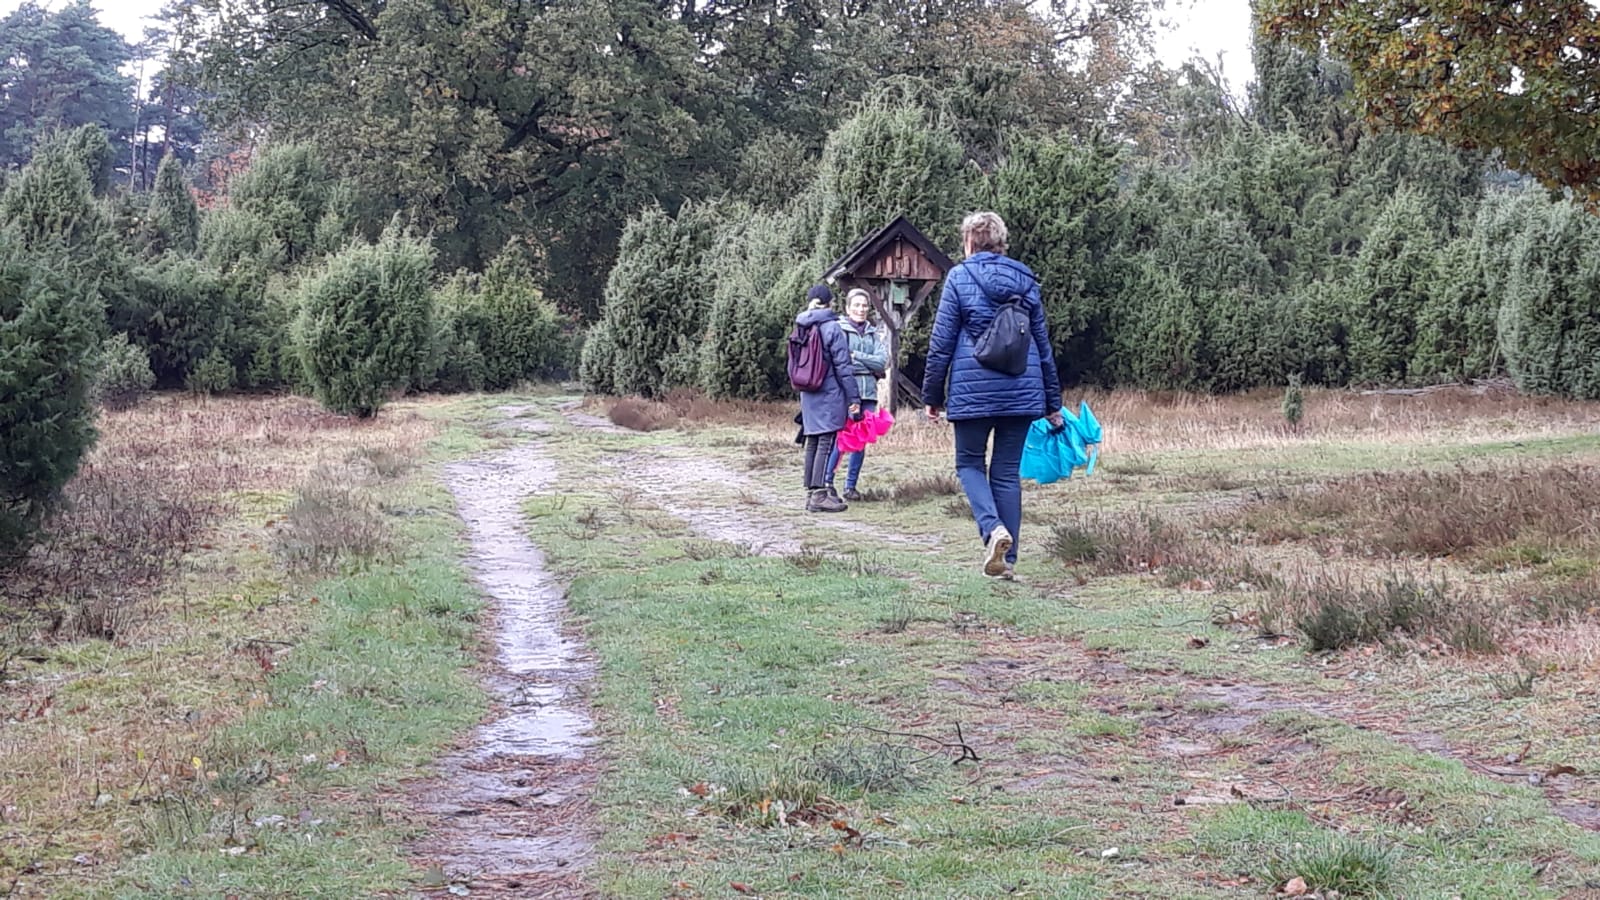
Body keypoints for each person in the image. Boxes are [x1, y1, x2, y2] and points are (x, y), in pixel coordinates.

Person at [922, 212, 1063, 579]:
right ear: (1001, 242)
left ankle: (992, 528)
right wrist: (1052, 403)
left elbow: (941, 343)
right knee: (1005, 473)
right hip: (1022, 390)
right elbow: (1042, 345)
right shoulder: (1026, 279)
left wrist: (932, 396)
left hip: (973, 392)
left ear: (969, 242)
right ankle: (1008, 562)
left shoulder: (959, 277)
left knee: (969, 465)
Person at [795, 284, 862, 513]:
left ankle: (811, 494)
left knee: (813, 442)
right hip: (829, 392)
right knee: (826, 441)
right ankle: (820, 495)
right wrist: (854, 398)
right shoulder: (832, 327)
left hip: (807, 392)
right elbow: (843, 367)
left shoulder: (801, 325)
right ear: (830, 303)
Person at [825, 288, 888, 501]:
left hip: (868, 394)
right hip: (845, 392)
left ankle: (850, 487)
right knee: (841, 440)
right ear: (848, 308)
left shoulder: (873, 333)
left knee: (861, 442)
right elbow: (841, 363)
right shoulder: (839, 330)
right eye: (857, 305)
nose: (861, 309)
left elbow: (882, 362)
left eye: (864, 305)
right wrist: (867, 364)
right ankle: (827, 482)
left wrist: (856, 356)